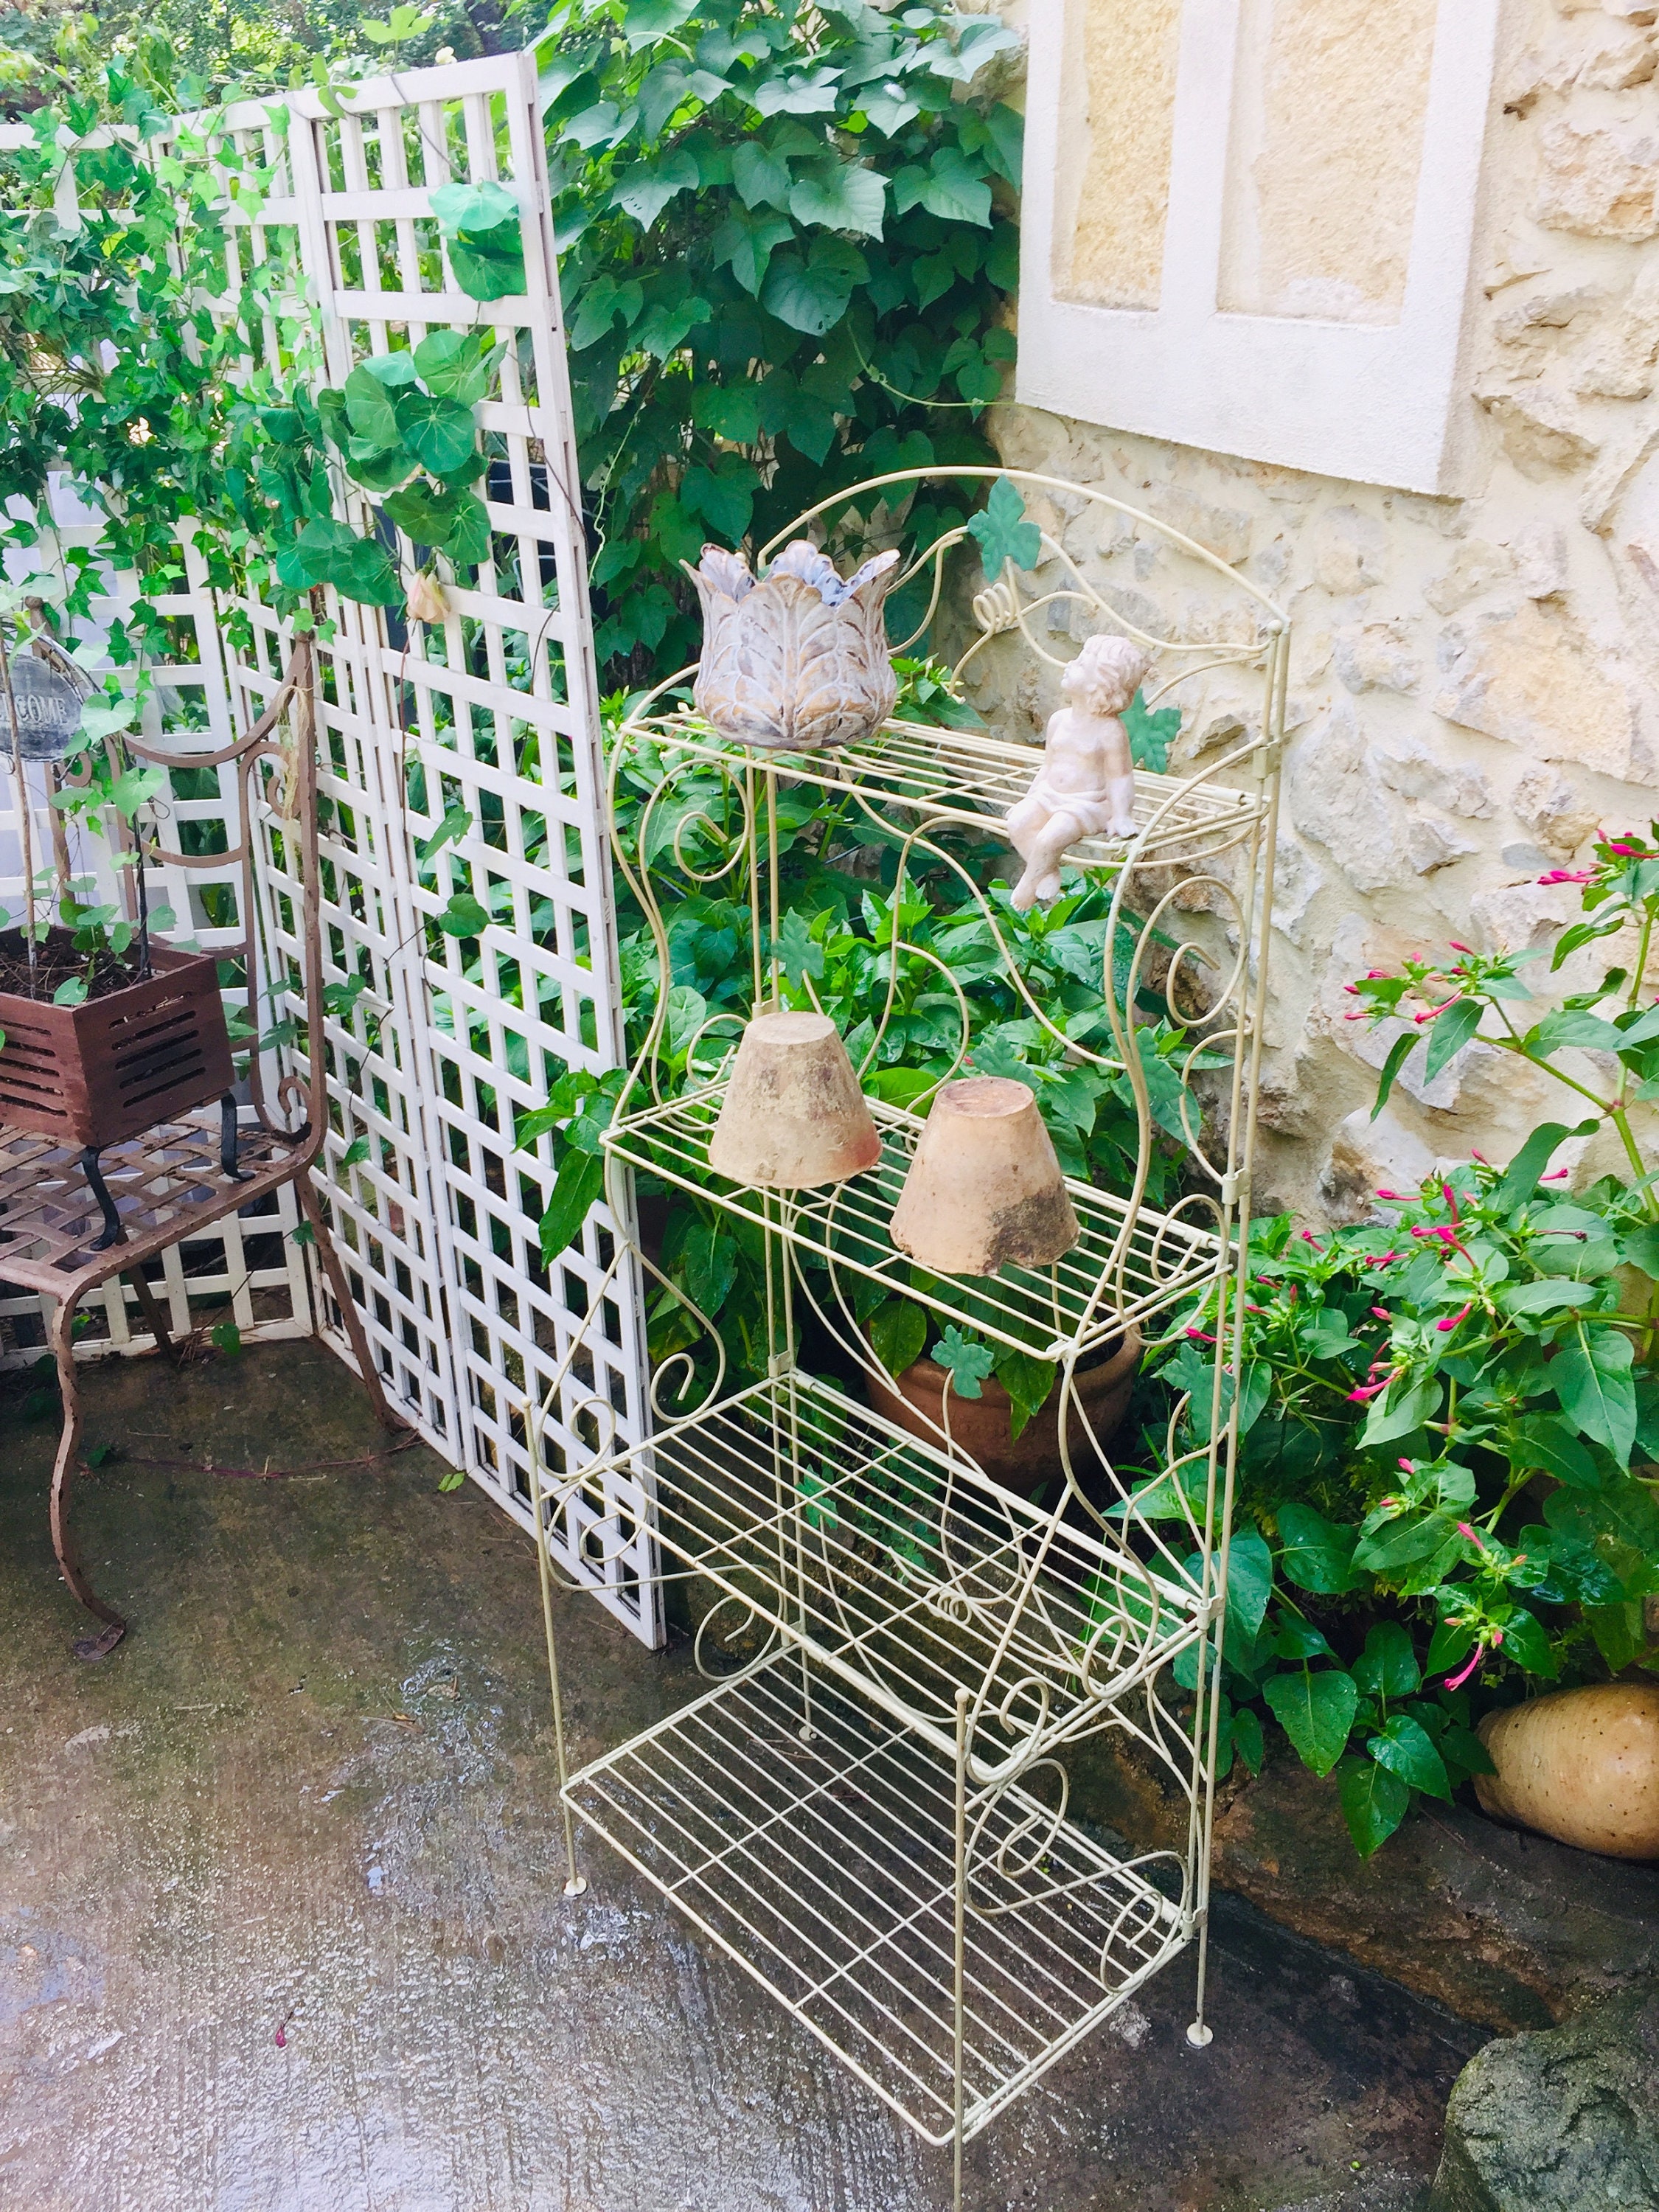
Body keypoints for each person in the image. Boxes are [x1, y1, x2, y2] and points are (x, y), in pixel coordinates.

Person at [1006, 633, 1151, 911]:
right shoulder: (1059, 720)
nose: (1071, 663)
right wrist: (1031, 798)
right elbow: (1048, 766)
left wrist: (1121, 815)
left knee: (1050, 837)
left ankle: (1027, 885)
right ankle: (1047, 872)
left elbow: (1120, 776)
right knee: (1018, 823)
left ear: (1101, 685)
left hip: (1086, 804)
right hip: (1049, 794)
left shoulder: (1110, 730)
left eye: (1082, 664)